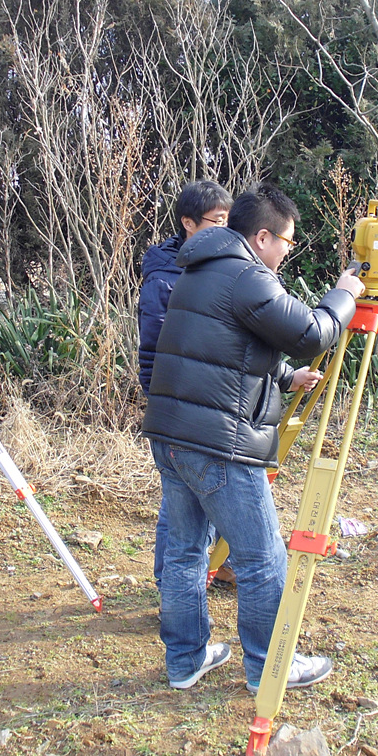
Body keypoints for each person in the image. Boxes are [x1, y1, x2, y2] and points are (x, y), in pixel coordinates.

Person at [142, 182, 365, 691]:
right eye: (287, 242)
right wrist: (346, 294)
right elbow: (310, 334)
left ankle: (185, 662)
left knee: (183, 552)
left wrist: (284, 377)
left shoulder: (196, 267)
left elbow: (230, 350)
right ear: (262, 237)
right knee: (263, 560)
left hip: (174, 435)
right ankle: (269, 668)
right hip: (217, 443)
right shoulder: (245, 275)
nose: (287, 253)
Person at [138, 180, 233, 588]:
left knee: (219, 489)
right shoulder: (165, 276)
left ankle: (222, 564)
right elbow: (154, 345)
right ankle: (171, 585)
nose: (224, 230)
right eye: (217, 222)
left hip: (212, 398)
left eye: (229, 222)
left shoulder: (220, 261)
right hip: (179, 401)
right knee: (182, 502)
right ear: (188, 223)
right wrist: (161, 395)